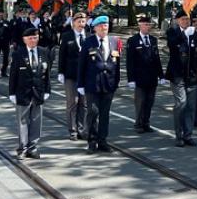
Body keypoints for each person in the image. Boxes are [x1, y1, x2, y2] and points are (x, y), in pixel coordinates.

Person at [165, 9, 197, 147]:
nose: (186, 21)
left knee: (191, 106)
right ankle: (179, 135)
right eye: (183, 19)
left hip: (193, 75)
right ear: (177, 20)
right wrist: (184, 34)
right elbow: (172, 45)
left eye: (187, 19)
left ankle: (188, 135)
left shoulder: (196, 35)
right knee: (181, 104)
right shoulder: (172, 32)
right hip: (178, 75)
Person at [77, 15, 121, 154]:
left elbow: (117, 64)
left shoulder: (114, 41)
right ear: (95, 28)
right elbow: (81, 65)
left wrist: (116, 82)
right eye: (101, 26)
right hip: (92, 84)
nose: (104, 28)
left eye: (106, 25)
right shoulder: (88, 42)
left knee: (105, 114)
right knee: (93, 112)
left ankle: (103, 141)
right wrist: (80, 85)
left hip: (108, 84)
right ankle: (92, 141)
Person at [9, 28, 52, 160]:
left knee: (36, 121)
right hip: (22, 92)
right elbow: (13, 75)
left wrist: (47, 90)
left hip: (38, 92)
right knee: (22, 121)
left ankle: (33, 147)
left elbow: (47, 74)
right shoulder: (18, 53)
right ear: (24, 40)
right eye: (30, 38)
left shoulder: (44, 52)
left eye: (35, 37)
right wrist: (12, 93)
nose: (33, 40)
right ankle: (22, 148)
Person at [126, 16, 165, 133]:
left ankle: (146, 122)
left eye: (149, 25)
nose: (148, 27)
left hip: (152, 77)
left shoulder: (153, 40)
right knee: (140, 102)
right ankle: (138, 124)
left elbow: (157, 58)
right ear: (140, 25)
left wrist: (161, 75)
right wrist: (131, 79)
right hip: (139, 77)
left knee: (150, 101)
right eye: (146, 24)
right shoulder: (133, 40)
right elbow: (130, 61)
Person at [58, 12, 89, 141]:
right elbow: (62, 56)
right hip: (70, 74)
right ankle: (73, 130)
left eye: (83, 22)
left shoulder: (89, 36)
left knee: (84, 103)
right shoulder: (66, 36)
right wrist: (61, 72)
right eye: (79, 21)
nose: (81, 24)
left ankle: (82, 129)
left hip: (86, 76)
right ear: (73, 22)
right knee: (72, 103)